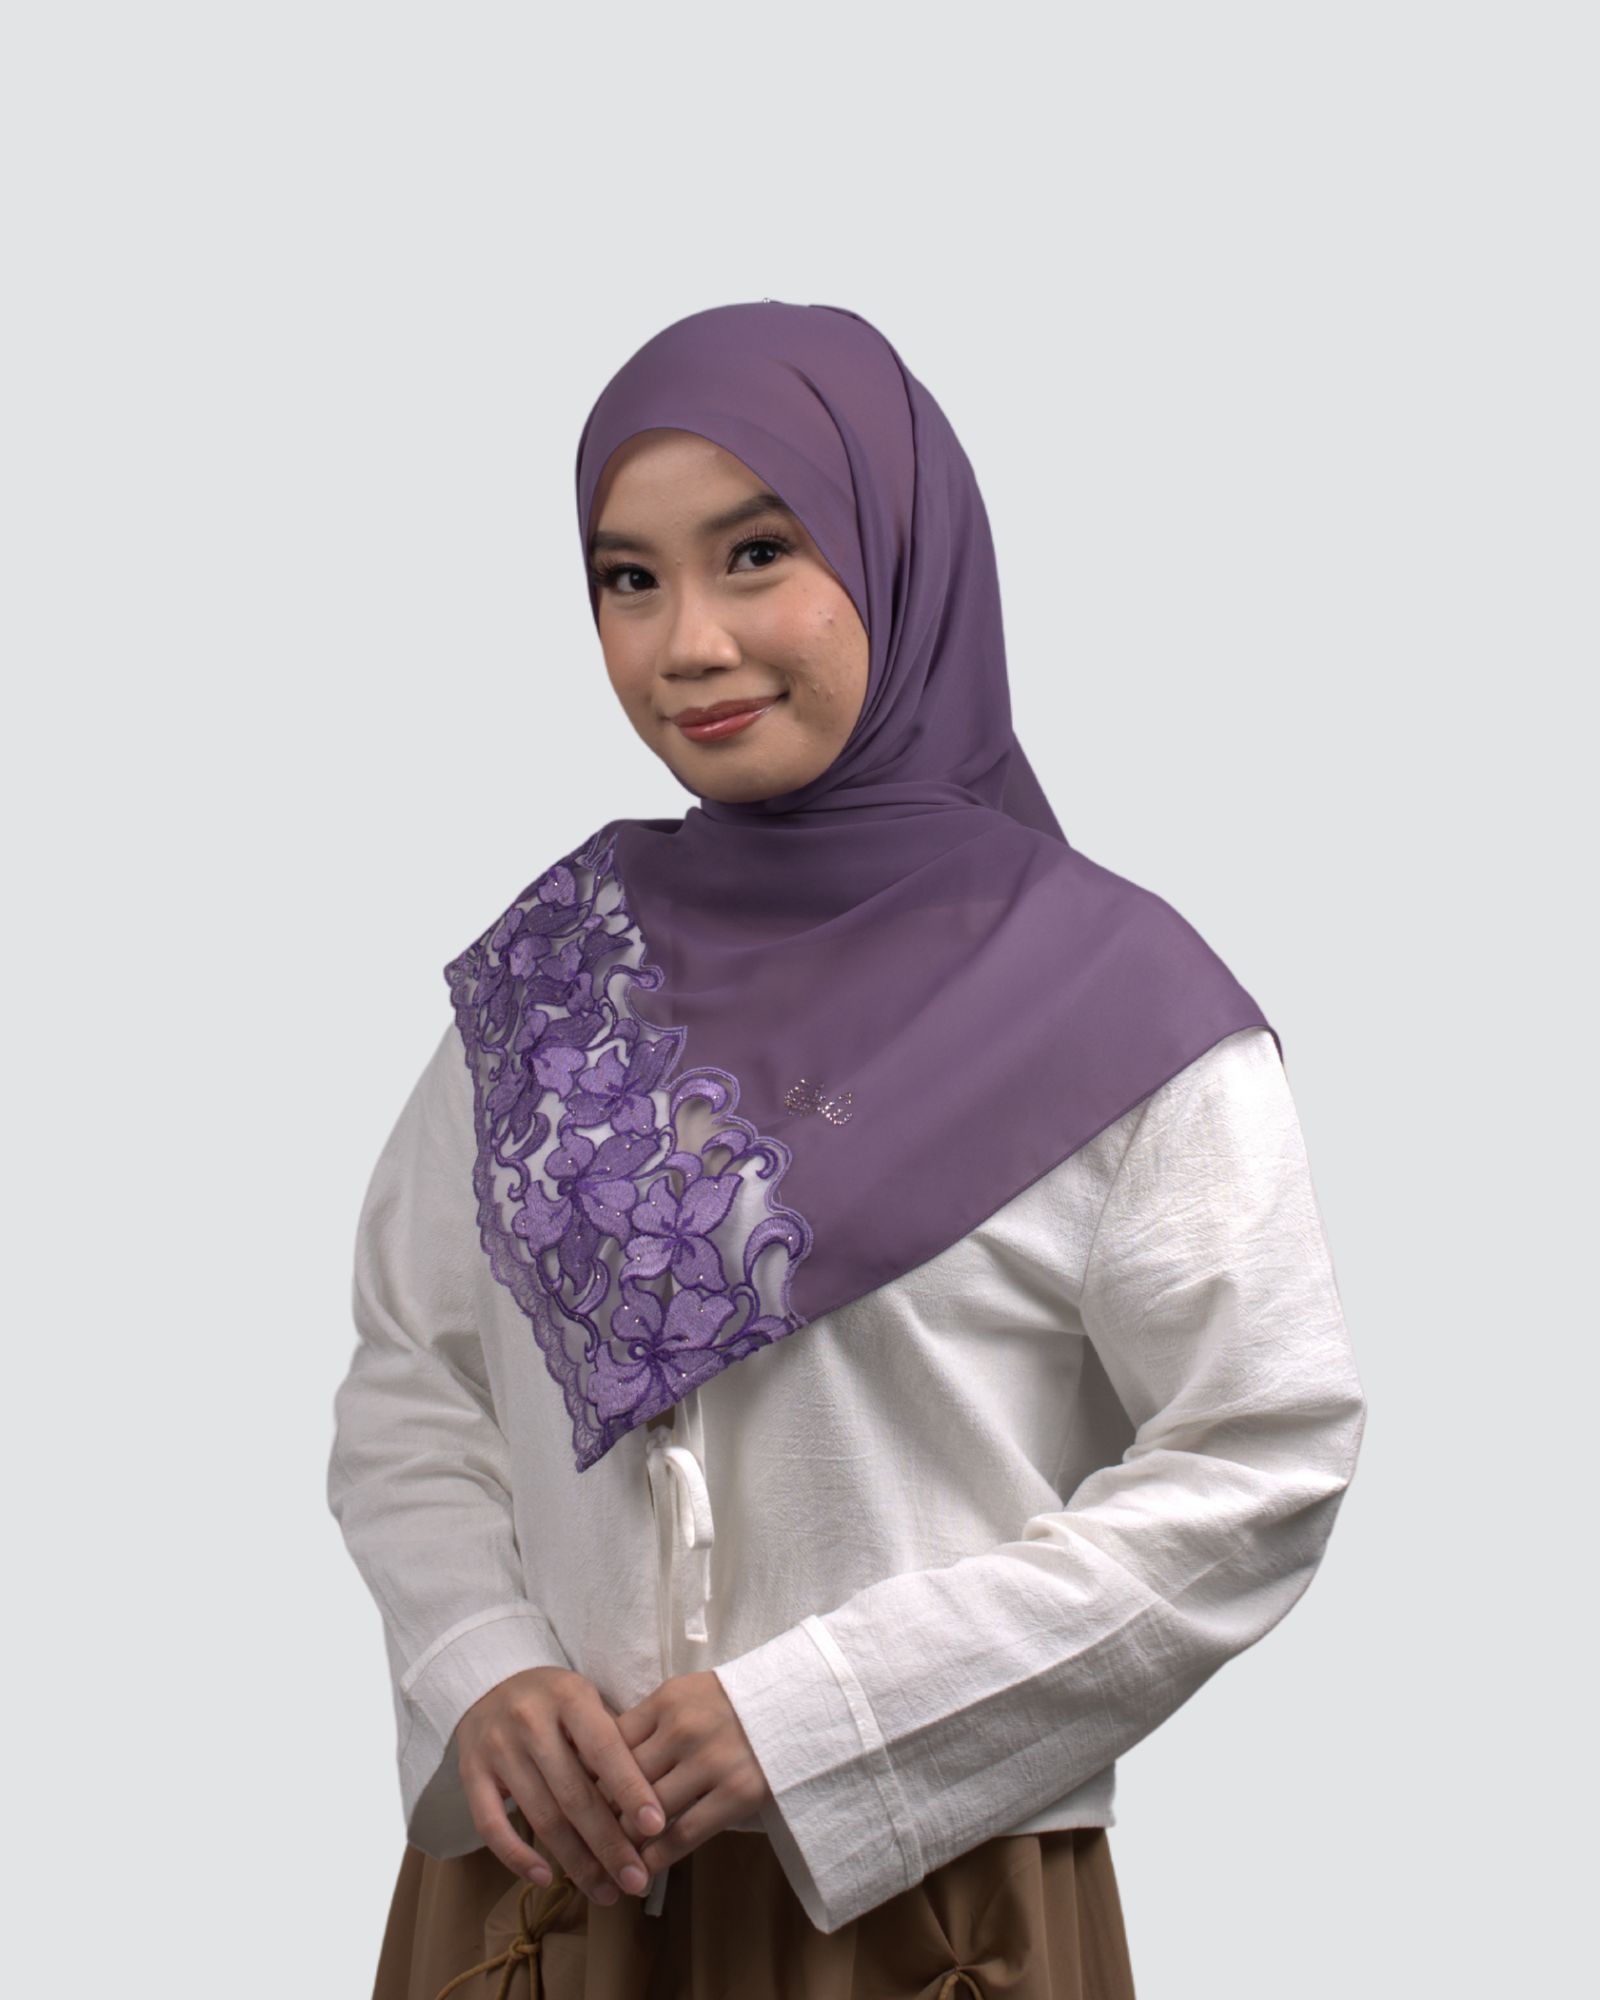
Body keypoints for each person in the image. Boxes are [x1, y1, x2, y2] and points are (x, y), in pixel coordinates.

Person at [327, 299, 1367, 1999]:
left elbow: (1265, 1457)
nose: (687, 644)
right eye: (628, 577)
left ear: (902, 552)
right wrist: (478, 1662)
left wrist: (831, 1720)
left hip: (919, 1905)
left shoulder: (1116, 1003)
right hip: (545, 1894)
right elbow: (415, 1381)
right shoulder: (555, 978)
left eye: (757, 553)